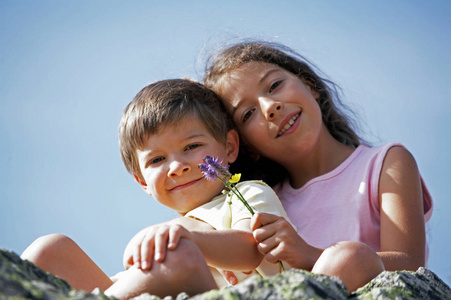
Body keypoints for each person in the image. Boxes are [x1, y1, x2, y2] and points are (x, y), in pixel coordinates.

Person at [21, 78, 294, 298]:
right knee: (49, 250)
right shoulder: (169, 234)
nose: (177, 166)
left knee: (178, 254)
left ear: (230, 147)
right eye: (157, 159)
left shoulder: (244, 194)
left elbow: (251, 250)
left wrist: (190, 241)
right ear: (142, 182)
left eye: (192, 147)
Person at [202, 40, 433, 293]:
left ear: (310, 85)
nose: (271, 107)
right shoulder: (259, 203)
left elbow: (410, 265)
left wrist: (310, 256)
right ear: (246, 147)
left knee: (350, 256)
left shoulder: (386, 164)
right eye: (248, 114)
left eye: (275, 85)